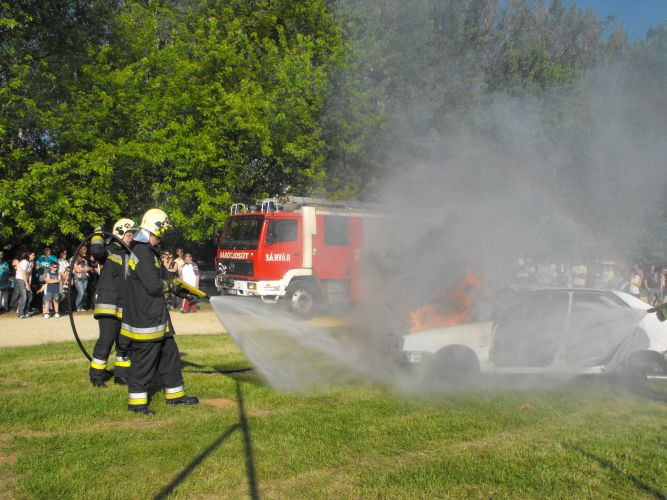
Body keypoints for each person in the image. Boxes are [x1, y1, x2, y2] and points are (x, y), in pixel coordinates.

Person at [119, 209, 198, 415]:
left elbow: (166, 278)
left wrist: (184, 292)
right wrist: (170, 287)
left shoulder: (148, 252)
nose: (159, 238)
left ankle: (175, 396)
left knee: (169, 355)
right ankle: (137, 403)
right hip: (146, 317)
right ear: (154, 230)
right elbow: (154, 286)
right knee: (144, 360)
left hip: (157, 316)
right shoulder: (142, 253)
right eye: (159, 234)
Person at [89, 218, 136, 387]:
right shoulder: (107, 251)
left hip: (126, 304)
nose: (132, 238)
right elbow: (96, 251)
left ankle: (121, 375)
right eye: (130, 235)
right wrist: (97, 234)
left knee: (125, 342)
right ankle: (96, 376)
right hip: (108, 304)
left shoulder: (132, 255)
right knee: (106, 340)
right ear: (120, 234)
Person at [14, 249, 34, 318]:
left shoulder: (31, 263)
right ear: (29, 255)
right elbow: (24, 274)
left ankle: (26, 311)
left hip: (26, 280)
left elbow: (30, 273)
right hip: (20, 280)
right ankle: (21, 313)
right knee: (24, 296)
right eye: (33, 255)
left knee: (30, 296)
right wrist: (27, 284)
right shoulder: (24, 262)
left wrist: (30, 282)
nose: (34, 256)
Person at [73, 247, 92, 312]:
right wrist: (84, 269)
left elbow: (90, 268)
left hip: (85, 279)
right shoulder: (74, 262)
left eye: (81, 258)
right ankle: (78, 307)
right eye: (79, 258)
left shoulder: (85, 261)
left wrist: (82, 269)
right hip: (78, 279)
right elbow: (78, 271)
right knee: (81, 292)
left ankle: (81, 307)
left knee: (83, 293)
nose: (80, 259)